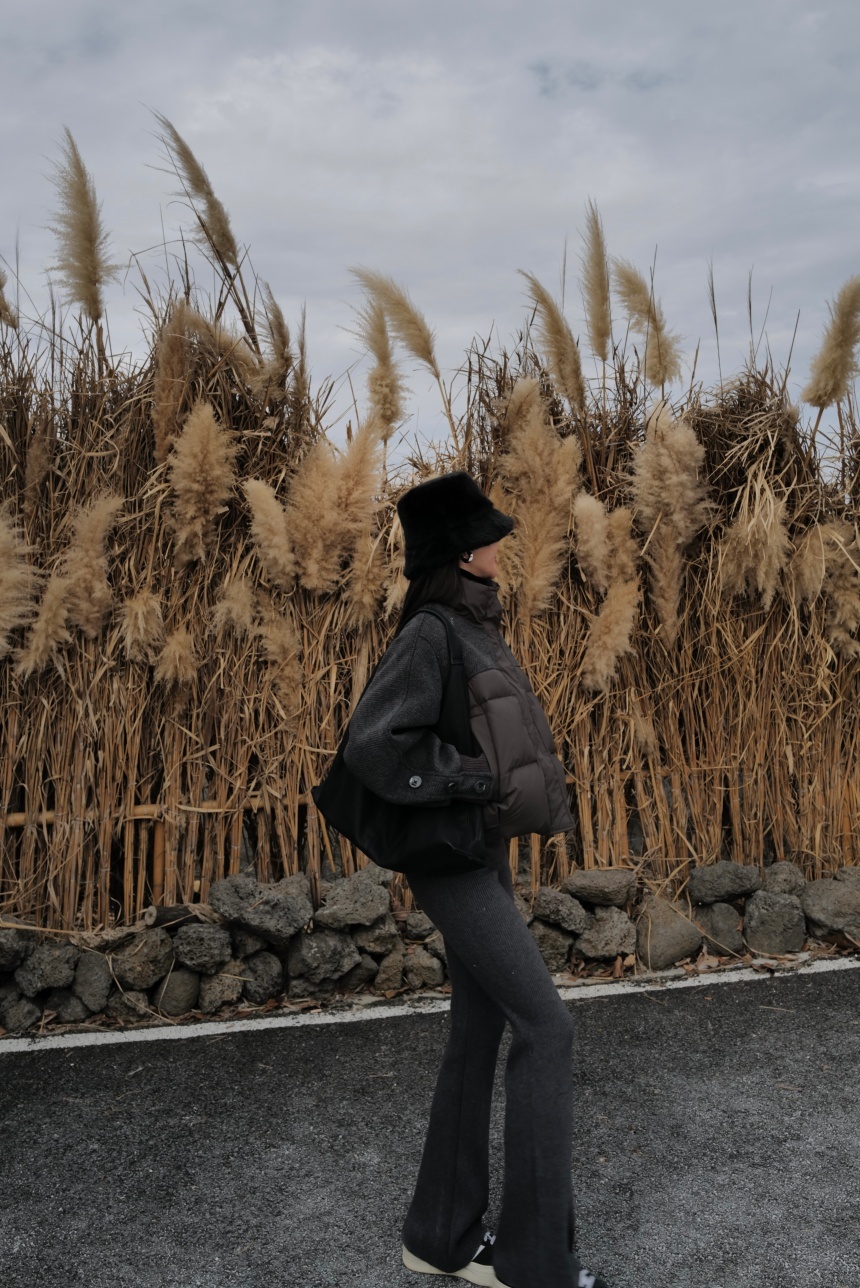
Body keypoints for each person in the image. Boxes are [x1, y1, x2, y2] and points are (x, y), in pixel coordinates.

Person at [342, 471, 610, 1288]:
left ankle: (439, 1235)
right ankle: (537, 1264)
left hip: (477, 851)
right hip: (449, 860)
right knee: (547, 1028)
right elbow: (373, 743)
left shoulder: (475, 623)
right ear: (462, 553)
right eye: (488, 535)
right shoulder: (432, 631)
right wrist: (470, 780)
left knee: (480, 1025)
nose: (501, 544)